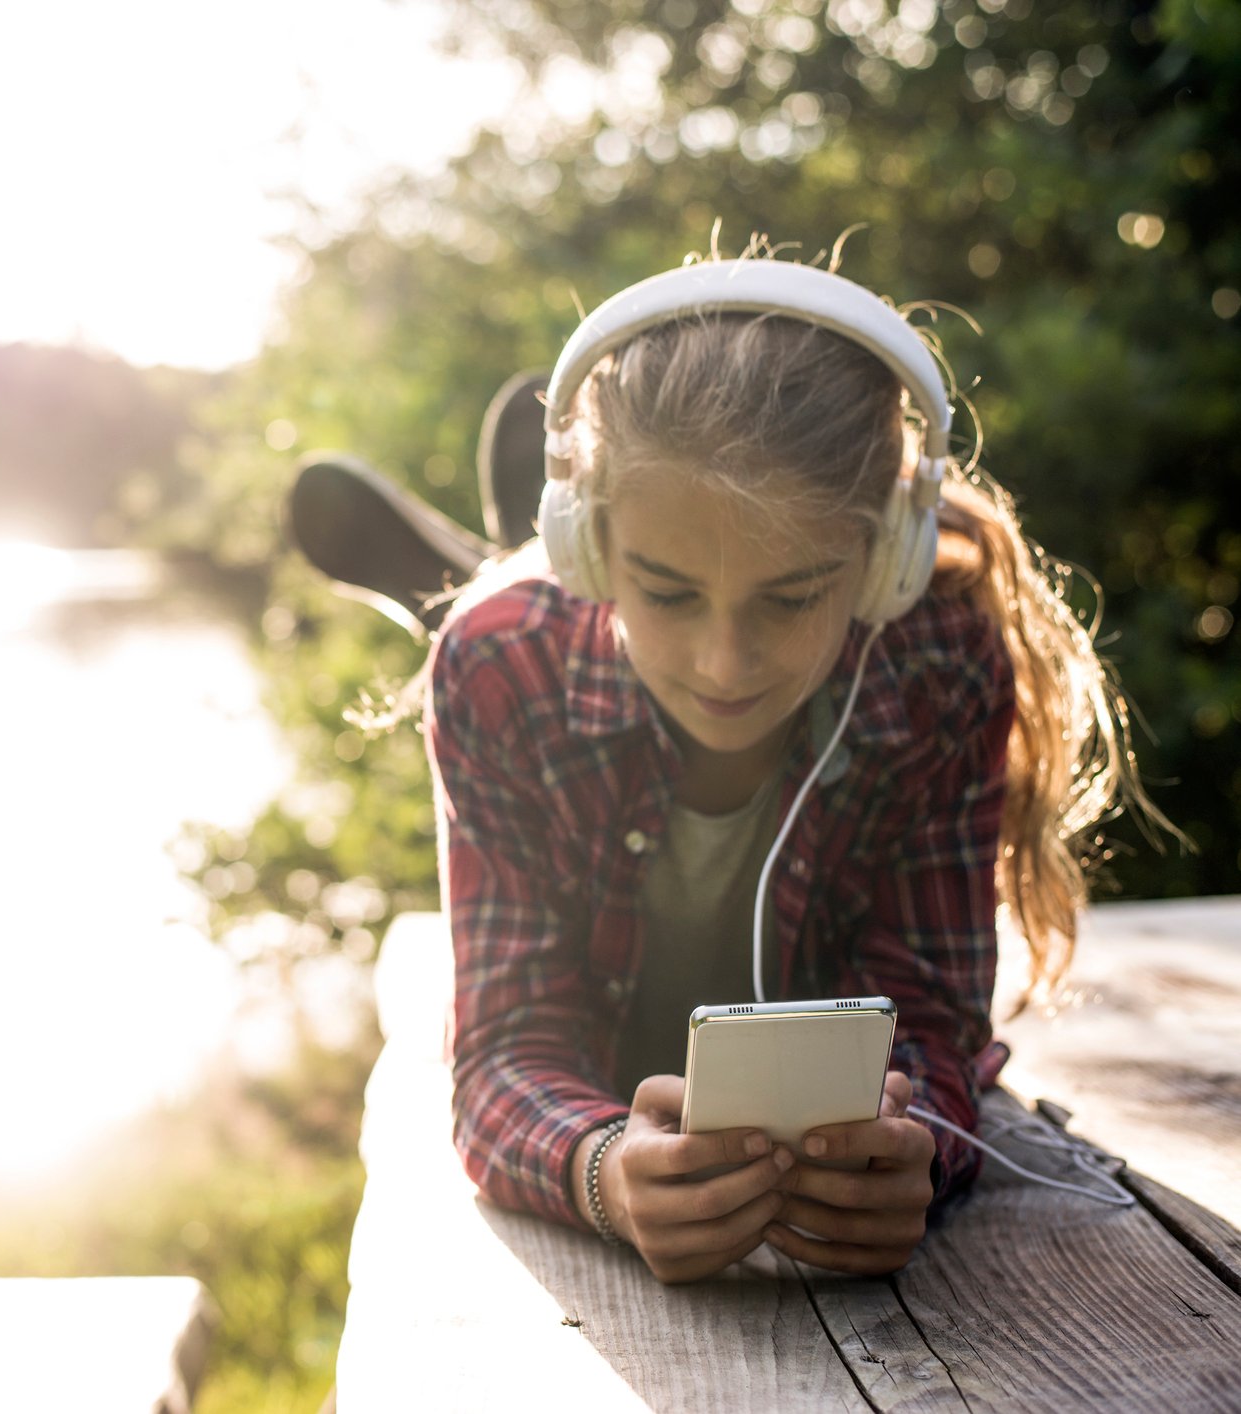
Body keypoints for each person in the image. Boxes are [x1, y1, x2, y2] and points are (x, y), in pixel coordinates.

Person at [422, 252, 1170, 1285]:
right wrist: (599, 1168)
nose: (725, 666)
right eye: (668, 592)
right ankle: (492, 549)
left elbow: (931, 1017)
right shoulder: (498, 666)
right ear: (589, 547)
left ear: (883, 560)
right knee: (487, 614)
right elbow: (504, 1045)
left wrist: (917, 1152)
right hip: (612, 1037)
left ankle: (522, 539)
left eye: (790, 598)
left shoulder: (938, 658)